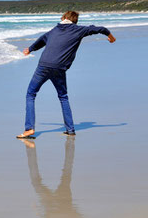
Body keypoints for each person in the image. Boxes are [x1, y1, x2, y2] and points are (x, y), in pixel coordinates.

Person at [17, 11, 115, 139]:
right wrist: (111, 37)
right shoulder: (79, 30)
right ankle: (70, 129)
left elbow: (42, 39)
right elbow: (100, 29)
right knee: (63, 97)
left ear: (64, 18)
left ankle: (29, 128)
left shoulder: (55, 30)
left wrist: (30, 49)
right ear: (75, 21)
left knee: (31, 94)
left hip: (44, 65)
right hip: (59, 68)